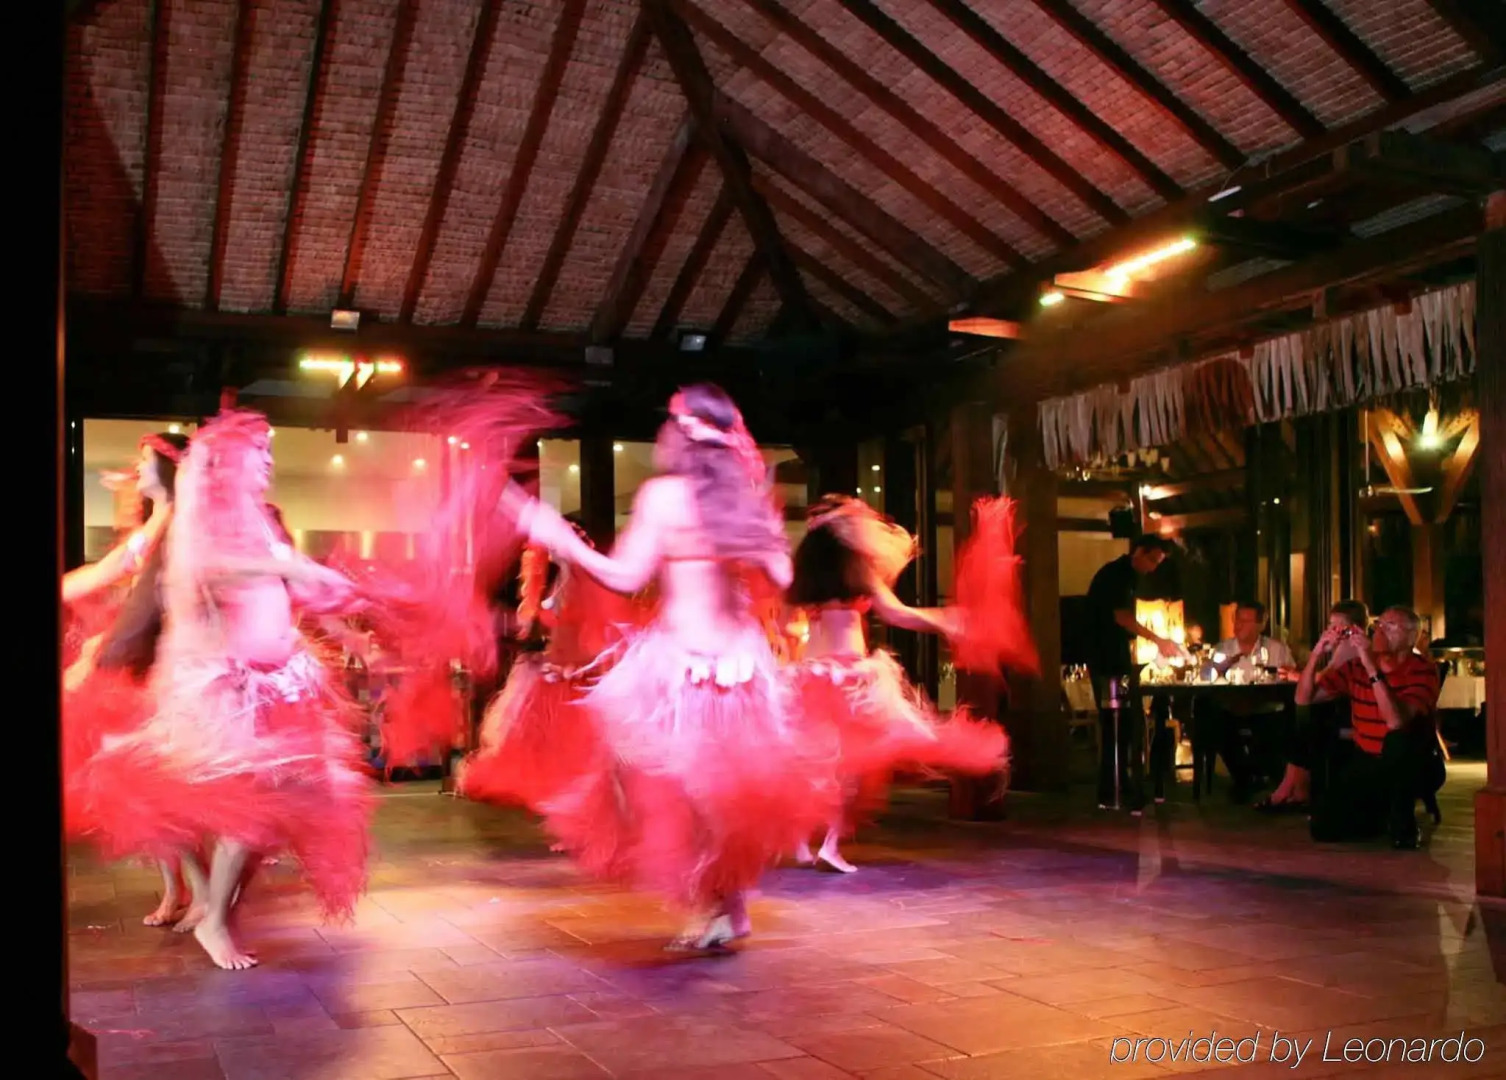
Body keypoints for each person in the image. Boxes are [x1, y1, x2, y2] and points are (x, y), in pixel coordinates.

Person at [506, 384, 840, 951]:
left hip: (686, 671)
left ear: (682, 435)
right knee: (709, 794)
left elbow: (626, 576)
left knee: (681, 791)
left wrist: (559, 536)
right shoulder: (743, 500)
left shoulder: (666, 496)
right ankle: (726, 905)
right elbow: (785, 578)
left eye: (673, 423)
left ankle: (720, 904)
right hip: (736, 669)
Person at [75, 410, 374, 969]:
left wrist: (331, 594)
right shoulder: (204, 518)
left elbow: (285, 578)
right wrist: (294, 571)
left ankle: (213, 909)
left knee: (268, 812)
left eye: (269, 453)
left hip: (275, 685)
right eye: (259, 453)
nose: (268, 462)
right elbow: (208, 571)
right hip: (223, 691)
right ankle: (211, 915)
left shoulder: (259, 518)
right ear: (230, 462)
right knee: (241, 809)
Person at [785, 495, 1012, 873]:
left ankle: (799, 840)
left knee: (814, 764)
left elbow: (790, 628)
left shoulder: (807, 576)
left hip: (810, 674)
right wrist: (946, 620)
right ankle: (830, 845)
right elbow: (898, 613)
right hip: (850, 678)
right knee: (853, 768)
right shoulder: (856, 568)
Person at [63, 431, 201, 927]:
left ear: (168, 468)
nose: (137, 469)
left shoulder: (184, 524)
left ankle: (201, 896)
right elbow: (115, 569)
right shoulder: (160, 522)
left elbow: (153, 594)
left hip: (161, 674)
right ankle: (178, 890)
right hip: (137, 668)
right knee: (146, 790)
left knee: (159, 789)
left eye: (144, 461)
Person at [458, 529, 645, 815]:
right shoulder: (558, 583)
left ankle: (594, 805)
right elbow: (534, 625)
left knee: (584, 751)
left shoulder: (581, 585)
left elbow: (582, 633)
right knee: (564, 752)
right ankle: (580, 805)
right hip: (558, 673)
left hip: (575, 676)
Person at [1297, 606, 1443, 849]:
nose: (1380, 631)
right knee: (1322, 828)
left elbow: (1396, 721)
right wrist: (1316, 655)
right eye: (1379, 625)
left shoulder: (1422, 669)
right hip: (1367, 760)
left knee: (1397, 739)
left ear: (1411, 637)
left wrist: (1371, 667)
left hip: (1413, 764)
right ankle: (1380, 817)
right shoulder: (1355, 667)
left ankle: (1403, 827)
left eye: (1390, 626)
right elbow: (1303, 698)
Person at [1083, 535, 1182, 812]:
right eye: (1152, 559)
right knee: (1118, 724)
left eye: (1158, 563)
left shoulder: (1124, 575)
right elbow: (1121, 616)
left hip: (1113, 657)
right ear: (1138, 551)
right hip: (1107, 658)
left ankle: (1120, 787)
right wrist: (1157, 639)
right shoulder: (1117, 574)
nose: (1153, 567)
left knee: (1123, 725)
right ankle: (1114, 790)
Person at [1259, 600, 1370, 810]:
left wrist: (1304, 669)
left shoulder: (1351, 647)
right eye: (1330, 625)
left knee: (1298, 717)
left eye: (1336, 626)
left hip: (1353, 716)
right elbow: (1324, 680)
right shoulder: (1345, 648)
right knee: (1299, 715)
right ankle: (1294, 786)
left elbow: (1318, 687)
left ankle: (1292, 787)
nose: (1330, 631)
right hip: (1342, 709)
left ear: (1353, 628)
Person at [1198, 600, 1296, 802]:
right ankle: (1245, 779)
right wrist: (1220, 667)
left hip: (1266, 709)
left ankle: (1267, 778)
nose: (1238, 625)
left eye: (1245, 620)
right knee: (1214, 722)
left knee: (1277, 727)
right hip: (1232, 709)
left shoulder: (1276, 649)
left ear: (1261, 624)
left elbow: (1291, 680)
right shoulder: (1224, 648)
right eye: (1237, 620)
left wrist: (1284, 675)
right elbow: (1204, 677)